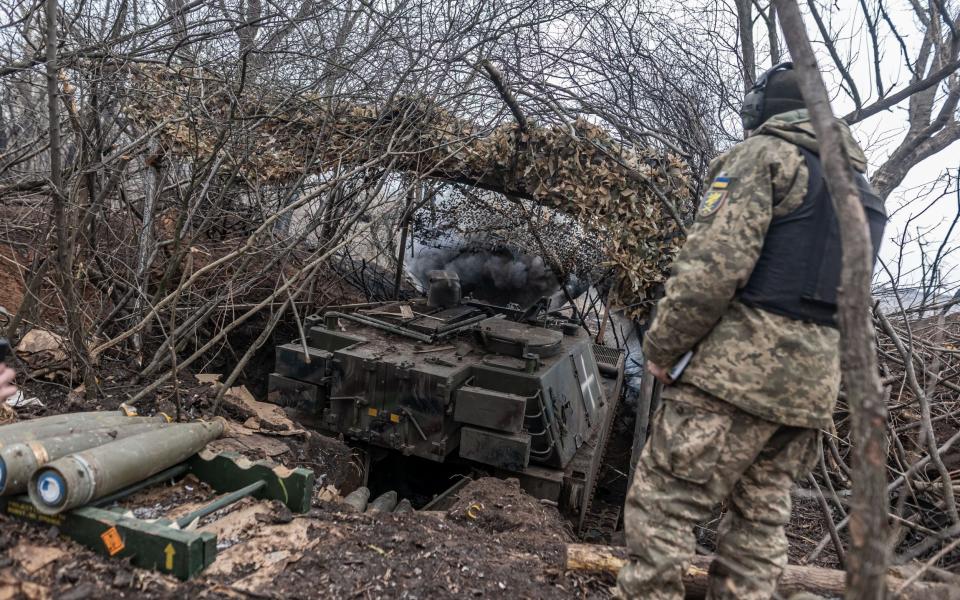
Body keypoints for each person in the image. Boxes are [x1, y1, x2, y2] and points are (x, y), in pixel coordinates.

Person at [616, 62, 886, 600]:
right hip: (808, 393)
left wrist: (663, 347)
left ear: (767, 108)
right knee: (759, 531)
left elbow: (711, 271)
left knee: (663, 508)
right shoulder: (861, 190)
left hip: (733, 378)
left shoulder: (765, 156)